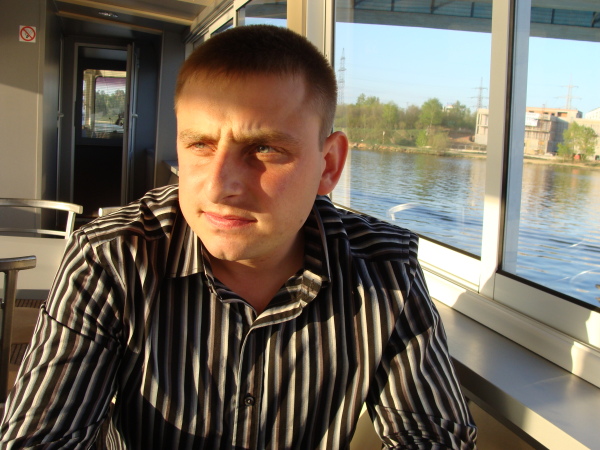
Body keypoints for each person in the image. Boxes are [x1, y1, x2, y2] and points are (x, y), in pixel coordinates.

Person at [0, 25, 477, 449]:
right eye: (199, 144)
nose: (218, 186)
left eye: (264, 148)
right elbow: (41, 437)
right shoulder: (112, 256)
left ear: (328, 164)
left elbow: (433, 437)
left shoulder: (385, 270)